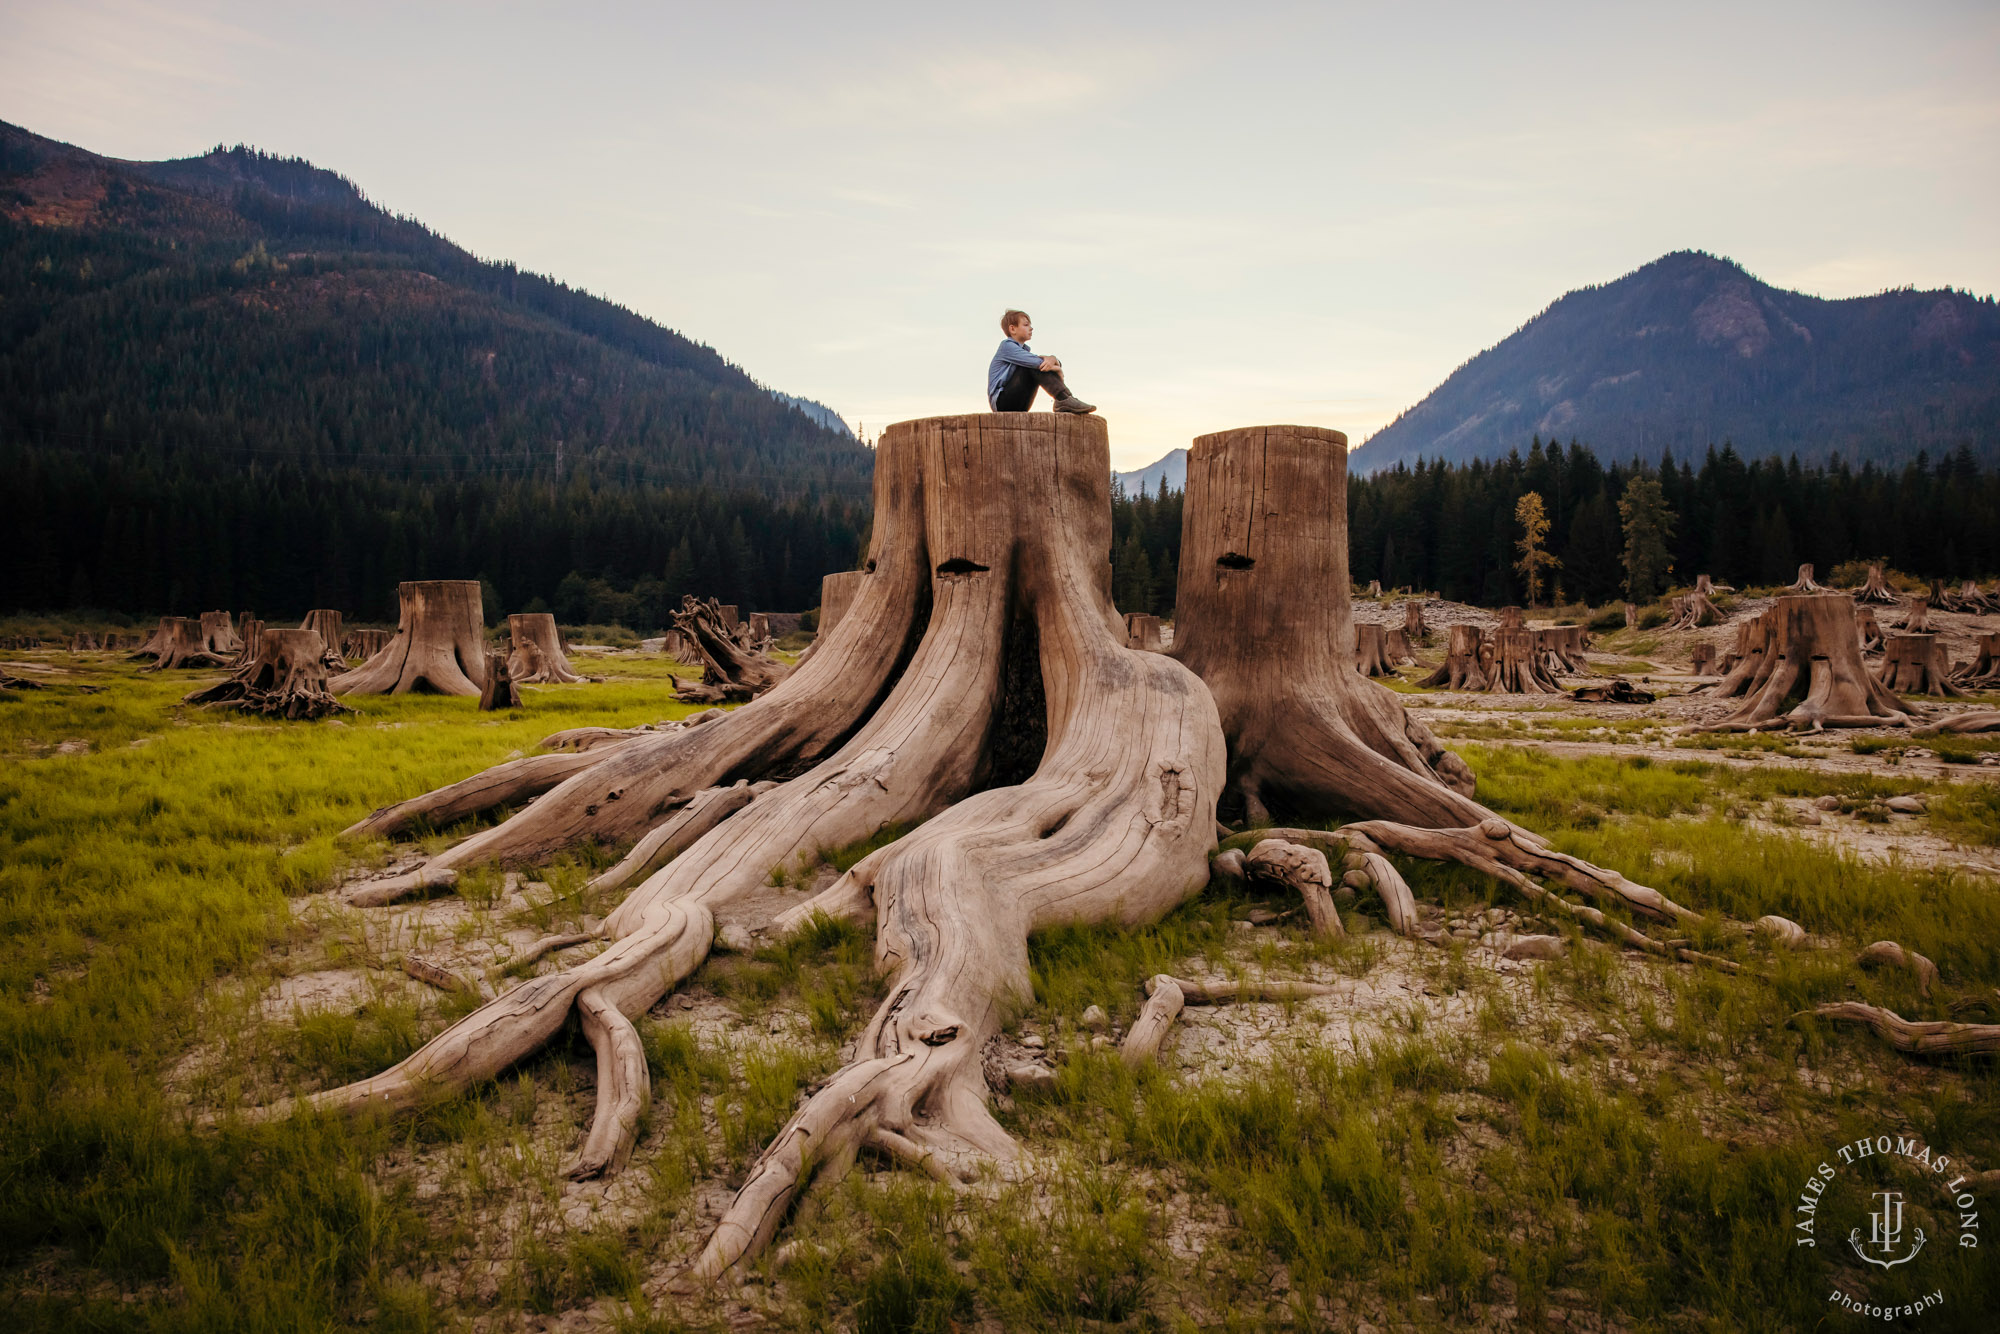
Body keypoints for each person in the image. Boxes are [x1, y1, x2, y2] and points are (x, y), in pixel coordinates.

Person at [987, 310, 1096, 414]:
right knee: (1034, 366)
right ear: (1012, 329)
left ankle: (1065, 399)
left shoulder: (1024, 351)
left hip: (1020, 403)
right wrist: (1055, 365)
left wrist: (1053, 359)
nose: (1031, 328)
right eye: (1026, 325)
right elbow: (1037, 363)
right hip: (1002, 404)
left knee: (1038, 364)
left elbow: (1041, 362)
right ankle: (1063, 399)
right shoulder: (1007, 346)